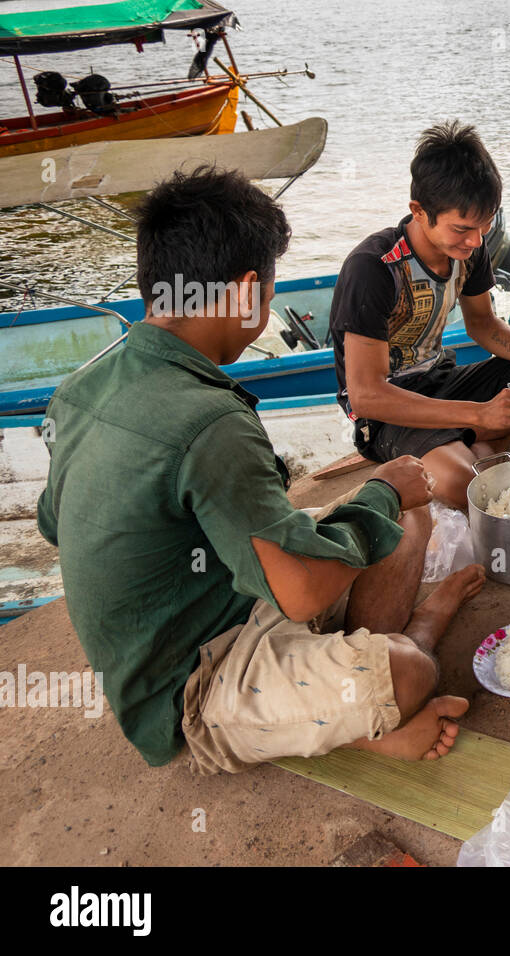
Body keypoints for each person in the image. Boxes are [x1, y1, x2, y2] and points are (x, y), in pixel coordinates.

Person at [37, 167, 485, 774]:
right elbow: (300, 594)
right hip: (194, 685)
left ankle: (351, 674)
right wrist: (377, 490)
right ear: (247, 290)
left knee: (406, 516)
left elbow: (54, 524)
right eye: (270, 300)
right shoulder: (209, 421)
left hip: (230, 595)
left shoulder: (78, 390)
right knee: (411, 670)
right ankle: (405, 654)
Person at [330, 120, 510, 510]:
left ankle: (467, 443)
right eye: (462, 229)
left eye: (485, 226)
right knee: (461, 484)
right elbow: (366, 396)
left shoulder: (471, 248)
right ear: (419, 211)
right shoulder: (373, 268)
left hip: (441, 380)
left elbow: (482, 325)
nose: (476, 240)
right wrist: (480, 414)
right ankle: (470, 445)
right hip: (388, 411)